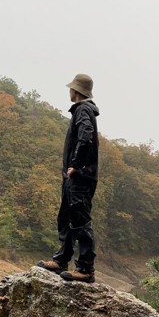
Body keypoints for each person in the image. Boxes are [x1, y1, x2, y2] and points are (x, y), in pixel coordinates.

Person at [37, 73, 100, 283]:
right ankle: (62, 260)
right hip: (75, 178)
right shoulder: (82, 110)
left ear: (76, 91)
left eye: (71, 88)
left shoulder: (83, 109)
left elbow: (86, 136)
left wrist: (75, 165)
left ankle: (85, 269)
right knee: (65, 217)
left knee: (80, 222)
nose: (69, 91)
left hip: (80, 177)